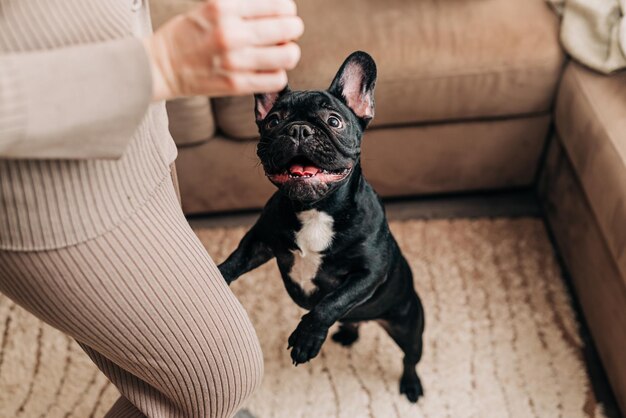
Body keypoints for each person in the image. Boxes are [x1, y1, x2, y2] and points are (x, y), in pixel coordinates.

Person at [0, 0, 303, 417]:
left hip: (134, 132)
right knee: (221, 376)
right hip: (45, 193)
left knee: (170, 389)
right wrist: (159, 65)